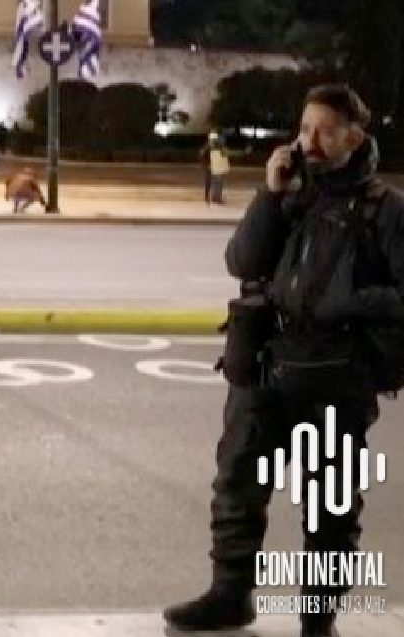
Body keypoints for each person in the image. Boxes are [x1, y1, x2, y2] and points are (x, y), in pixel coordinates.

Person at [165, 84, 401, 637]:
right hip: (266, 365)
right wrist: (270, 196)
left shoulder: (385, 209)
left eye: (324, 131)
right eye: (304, 128)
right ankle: (230, 597)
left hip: (335, 377)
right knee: (237, 485)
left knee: (329, 505)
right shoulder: (290, 193)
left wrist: (345, 301)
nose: (309, 141)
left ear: (354, 138)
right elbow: (241, 260)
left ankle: (318, 619)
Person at [201, 131, 230, 205]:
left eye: (214, 140)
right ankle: (210, 197)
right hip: (209, 167)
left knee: (218, 182)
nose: (213, 141)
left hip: (216, 167)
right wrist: (207, 165)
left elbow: (224, 156)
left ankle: (216, 197)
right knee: (211, 182)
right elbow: (202, 155)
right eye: (212, 140)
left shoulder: (218, 147)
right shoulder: (207, 147)